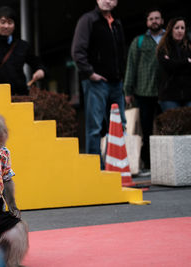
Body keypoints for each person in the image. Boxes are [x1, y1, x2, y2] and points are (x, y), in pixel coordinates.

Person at [71, 0, 127, 169]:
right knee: (94, 127)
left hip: (116, 83)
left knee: (119, 125)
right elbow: (77, 51)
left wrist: (121, 75)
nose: (107, 1)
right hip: (96, 83)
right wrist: (90, 73)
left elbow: (122, 52)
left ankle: (116, 167)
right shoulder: (88, 20)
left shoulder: (117, 23)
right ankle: (96, 169)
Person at [123, 8, 165, 173]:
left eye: (157, 18)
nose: (154, 21)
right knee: (146, 131)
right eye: (151, 19)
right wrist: (127, 91)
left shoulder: (169, 40)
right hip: (144, 92)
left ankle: (165, 163)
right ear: (147, 22)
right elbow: (131, 66)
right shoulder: (138, 41)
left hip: (166, 92)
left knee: (166, 130)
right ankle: (148, 164)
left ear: (162, 21)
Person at [0, 6, 45, 96]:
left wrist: (40, 70)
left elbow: (37, 64)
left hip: (20, 96)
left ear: (14, 25)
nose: (6, 26)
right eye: (2, 22)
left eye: (10, 22)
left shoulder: (23, 46)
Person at [156, 17, 191, 112]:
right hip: (169, 96)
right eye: (177, 28)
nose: (180, 31)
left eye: (182, 28)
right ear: (171, 30)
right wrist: (187, 61)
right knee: (172, 126)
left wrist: (175, 63)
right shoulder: (163, 48)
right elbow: (168, 66)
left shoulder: (188, 47)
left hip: (188, 95)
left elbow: (173, 65)